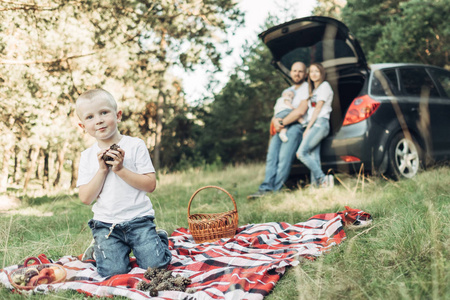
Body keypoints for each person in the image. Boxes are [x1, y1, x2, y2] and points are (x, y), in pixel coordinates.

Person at [75, 88, 172, 277]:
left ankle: (158, 239)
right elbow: (86, 198)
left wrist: (120, 170)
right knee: (112, 272)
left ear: (117, 115)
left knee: (156, 268)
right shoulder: (86, 157)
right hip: (106, 224)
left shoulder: (135, 145)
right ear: (82, 126)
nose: (99, 120)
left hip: (139, 220)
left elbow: (150, 185)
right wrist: (102, 170)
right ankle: (100, 250)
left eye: (104, 112)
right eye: (90, 117)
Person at [247, 62, 309, 199]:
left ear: (305, 74)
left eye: (300, 71)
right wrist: (275, 121)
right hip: (281, 126)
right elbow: (279, 109)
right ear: (291, 72)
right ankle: (265, 188)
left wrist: (281, 122)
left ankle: (276, 190)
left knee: (284, 158)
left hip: (295, 127)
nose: (297, 73)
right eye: (294, 71)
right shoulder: (288, 90)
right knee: (271, 157)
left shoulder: (307, 88)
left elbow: (300, 111)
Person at [296, 62, 334, 188]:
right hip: (314, 123)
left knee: (301, 153)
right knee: (313, 155)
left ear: (322, 73)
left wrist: (308, 128)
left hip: (320, 123)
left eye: (316, 71)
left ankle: (323, 179)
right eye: (311, 71)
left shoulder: (325, 86)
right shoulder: (314, 90)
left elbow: (318, 109)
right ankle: (316, 186)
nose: (314, 74)